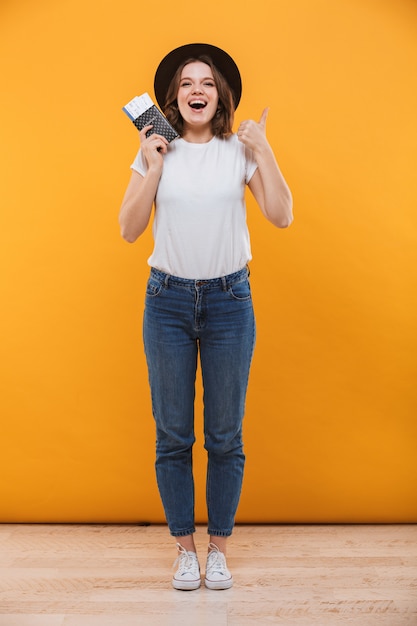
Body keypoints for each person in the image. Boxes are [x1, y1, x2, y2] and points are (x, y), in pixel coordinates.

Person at [119, 43, 293, 591]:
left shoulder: (238, 150)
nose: (197, 90)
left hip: (228, 303)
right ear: (173, 95)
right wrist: (152, 164)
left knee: (225, 435)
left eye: (208, 83)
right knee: (172, 434)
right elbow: (128, 228)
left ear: (221, 97)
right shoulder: (155, 151)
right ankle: (184, 552)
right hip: (166, 302)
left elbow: (281, 216)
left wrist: (264, 151)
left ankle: (218, 549)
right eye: (188, 83)